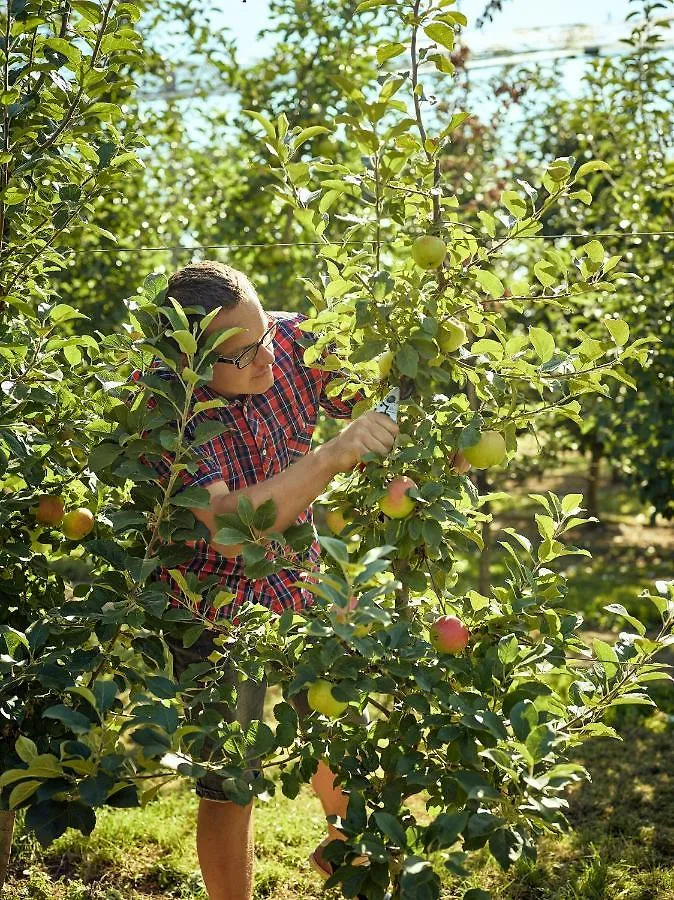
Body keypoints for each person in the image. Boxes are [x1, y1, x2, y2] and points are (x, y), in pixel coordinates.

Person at [141, 260, 399, 900]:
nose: (268, 358)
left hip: (298, 575)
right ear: (194, 364)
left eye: (266, 333)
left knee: (338, 723)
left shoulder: (290, 342)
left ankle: (345, 850)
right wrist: (334, 453)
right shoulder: (162, 410)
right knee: (231, 776)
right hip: (211, 602)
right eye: (245, 353)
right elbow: (235, 523)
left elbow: (375, 397)